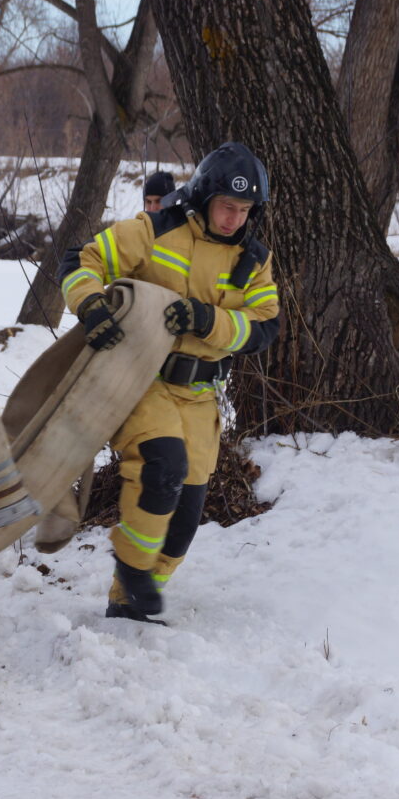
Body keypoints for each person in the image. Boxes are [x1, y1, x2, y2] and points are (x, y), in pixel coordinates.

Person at [60, 141, 281, 623]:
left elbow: (264, 326)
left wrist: (208, 320)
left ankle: (132, 601)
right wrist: (90, 306)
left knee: (184, 517)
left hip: (201, 396)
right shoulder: (157, 229)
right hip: (141, 379)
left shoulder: (252, 259)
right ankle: (133, 568)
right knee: (163, 468)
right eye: (226, 207)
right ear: (203, 196)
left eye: (244, 211)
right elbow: (81, 261)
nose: (233, 220)